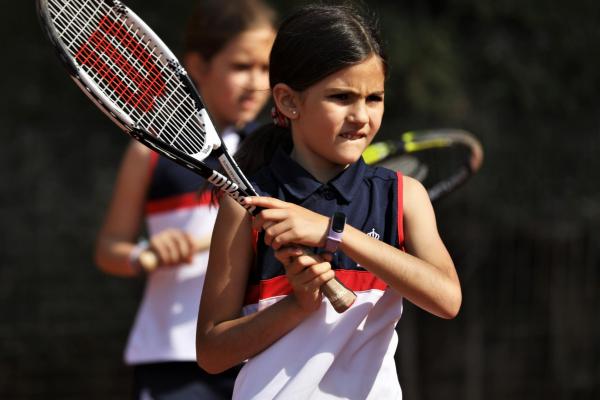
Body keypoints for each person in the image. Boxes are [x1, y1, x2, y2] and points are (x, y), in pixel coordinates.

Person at [195, 3, 462, 399]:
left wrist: (334, 233)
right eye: (341, 97)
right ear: (288, 101)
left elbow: (447, 298)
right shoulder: (247, 205)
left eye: (374, 98)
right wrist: (297, 306)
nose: (361, 116)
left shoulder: (404, 196)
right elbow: (212, 352)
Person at [93, 1, 277, 399]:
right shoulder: (150, 151)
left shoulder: (278, 154)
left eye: (265, 69)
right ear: (198, 65)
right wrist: (144, 254)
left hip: (258, 349)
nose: (256, 82)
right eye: (241, 66)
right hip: (171, 360)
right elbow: (109, 249)